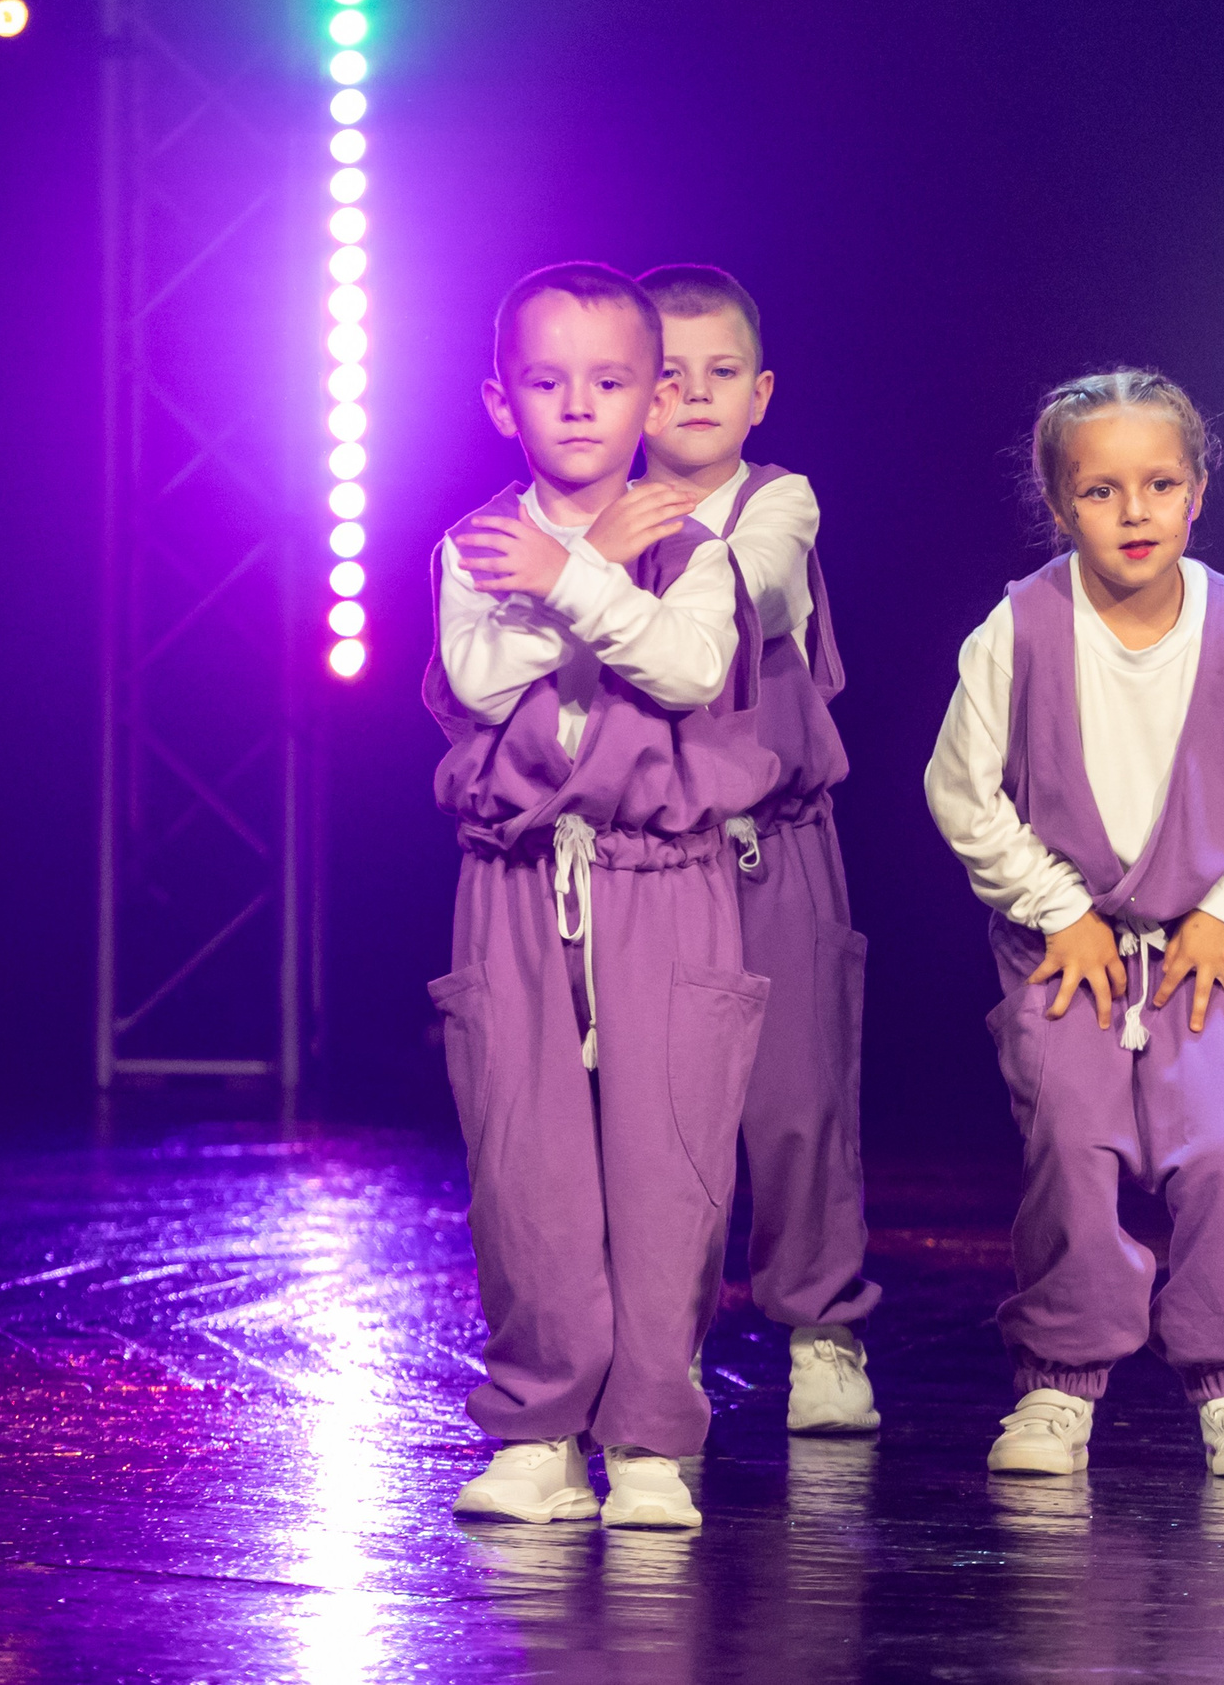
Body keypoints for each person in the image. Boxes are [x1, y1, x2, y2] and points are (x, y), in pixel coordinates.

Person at [426, 261, 776, 1530]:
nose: (579, 406)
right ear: (499, 400)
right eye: (547, 381)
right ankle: (538, 1428)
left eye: (611, 381)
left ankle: (648, 1438)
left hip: (661, 881)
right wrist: (577, 571)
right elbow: (477, 680)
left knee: (667, 1162)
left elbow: (686, 671)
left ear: (650, 399)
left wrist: (574, 581)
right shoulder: (476, 546)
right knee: (526, 1164)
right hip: (516, 885)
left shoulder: (694, 548)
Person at [926, 370, 1224, 1480]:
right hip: (1070, 953)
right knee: (1071, 1142)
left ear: (1197, 493)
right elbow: (962, 791)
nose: (1134, 512)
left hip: (1202, 955)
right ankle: (1059, 1379)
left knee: (1218, 1145)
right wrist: (1059, 911)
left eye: (1159, 485)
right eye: (1101, 491)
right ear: (1060, 505)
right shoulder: (1019, 627)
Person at [637, 263, 880, 1435]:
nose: (692, 394)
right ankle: (658, 1344)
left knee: (797, 1103)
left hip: (775, 843)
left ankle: (823, 1326)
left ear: (760, 391)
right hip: (651, 858)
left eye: (718, 373)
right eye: (665, 374)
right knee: (661, 1117)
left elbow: (751, 601)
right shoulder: (586, 514)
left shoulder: (778, 501)